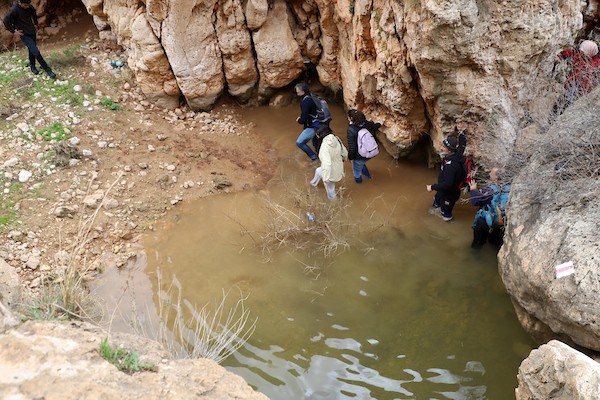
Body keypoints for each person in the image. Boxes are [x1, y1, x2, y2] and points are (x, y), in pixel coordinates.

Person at [3, 0, 56, 78]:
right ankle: (48, 70)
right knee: (36, 51)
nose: (27, 7)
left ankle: (32, 66)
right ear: (20, 3)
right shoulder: (14, 10)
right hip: (24, 34)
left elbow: (33, 13)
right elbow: (6, 21)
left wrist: (35, 24)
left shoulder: (29, 6)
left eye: (28, 5)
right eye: (25, 5)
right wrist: (14, 31)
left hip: (32, 32)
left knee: (32, 50)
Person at [553, 40, 600, 115]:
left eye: (584, 52)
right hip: (571, 84)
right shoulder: (578, 54)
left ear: (591, 53)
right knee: (560, 103)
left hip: (583, 90)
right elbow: (568, 52)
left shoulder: (596, 62)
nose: (581, 53)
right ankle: (551, 120)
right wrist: (559, 56)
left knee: (569, 107)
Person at [426, 136, 465, 222]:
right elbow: (462, 146)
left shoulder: (451, 166)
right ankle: (437, 206)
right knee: (436, 200)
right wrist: (462, 133)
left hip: (449, 194)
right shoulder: (456, 154)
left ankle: (445, 218)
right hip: (442, 190)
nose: (441, 148)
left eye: (444, 147)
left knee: (446, 215)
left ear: (450, 150)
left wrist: (432, 187)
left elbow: (448, 184)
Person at [469, 167, 510, 248]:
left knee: (478, 242)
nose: (489, 174)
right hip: (502, 222)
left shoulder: (489, 190)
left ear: (496, 178)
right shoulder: (511, 189)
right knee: (495, 242)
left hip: (485, 220)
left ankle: (475, 253)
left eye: (491, 173)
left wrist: (473, 190)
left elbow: (475, 202)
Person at [309, 125, 348, 200]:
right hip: (339, 167)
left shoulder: (324, 146)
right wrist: (345, 159)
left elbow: (327, 163)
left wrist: (326, 178)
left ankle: (335, 206)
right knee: (318, 170)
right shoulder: (336, 138)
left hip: (330, 172)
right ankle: (313, 184)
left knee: (331, 192)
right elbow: (345, 152)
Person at [347, 109, 381, 183]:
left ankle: (360, 185)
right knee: (361, 164)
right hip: (371, 151)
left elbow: (352, 147)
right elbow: (375, 127)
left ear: (351, 119)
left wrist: (350, 158)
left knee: (357, 173)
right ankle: (369, 177)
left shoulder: (351, 129)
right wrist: (380, 124)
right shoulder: (367, 123)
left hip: (359, 155)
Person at [294, 82, 321, 161]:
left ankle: (313, 157)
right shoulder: (313, 96)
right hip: (319, 123)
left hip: (313, 126)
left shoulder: (305, 102)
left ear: (302, 92)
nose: (297, 93)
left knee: (299, 143)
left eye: (298, 92)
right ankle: (319, 157)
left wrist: (299, 120)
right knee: (316, 143)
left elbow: (303, 119)